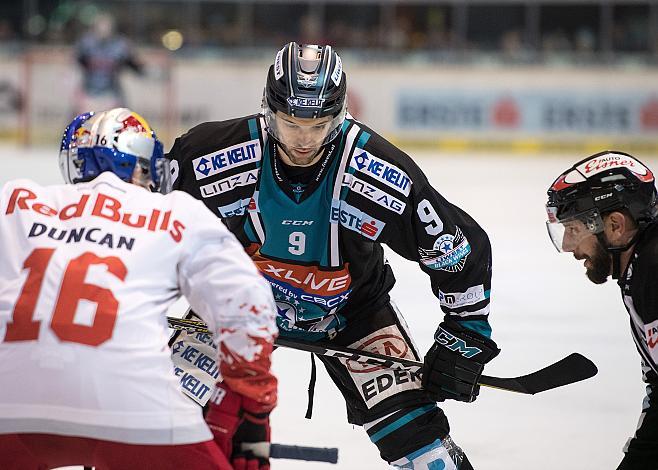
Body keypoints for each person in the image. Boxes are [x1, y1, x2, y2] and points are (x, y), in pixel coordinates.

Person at [164, 42, 499, 469]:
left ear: (340, 116)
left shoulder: (375, 168)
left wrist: (465, 336)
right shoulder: (211, 155)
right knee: (164, 417)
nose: (304, 139)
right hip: (234, 307)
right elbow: (145, 222)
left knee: (424, 449)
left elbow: (455, 247)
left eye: (319, 124)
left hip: (353, 314)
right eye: (290, 123)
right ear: (268, 111)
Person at [0, 107, 278, 469]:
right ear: (141, 163)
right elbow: (247, 305)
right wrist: (252, 416)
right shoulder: (175, 211)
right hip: (135, 411)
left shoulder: (16, 201)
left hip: (12, 404)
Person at [545, 150, 658, 470]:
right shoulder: (639, 267)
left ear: (615, 225)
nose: (568, 246)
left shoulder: (652, 272)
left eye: (575, 229)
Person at [75, 13, 143, 114]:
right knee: (85, 126)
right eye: (101, 26)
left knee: (116, 124)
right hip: (89, 93)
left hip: (112, 94)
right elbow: (77, 61)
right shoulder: (86, 44)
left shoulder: (120, 45)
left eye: (106, 26)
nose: (103, 29)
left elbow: (134, 65)